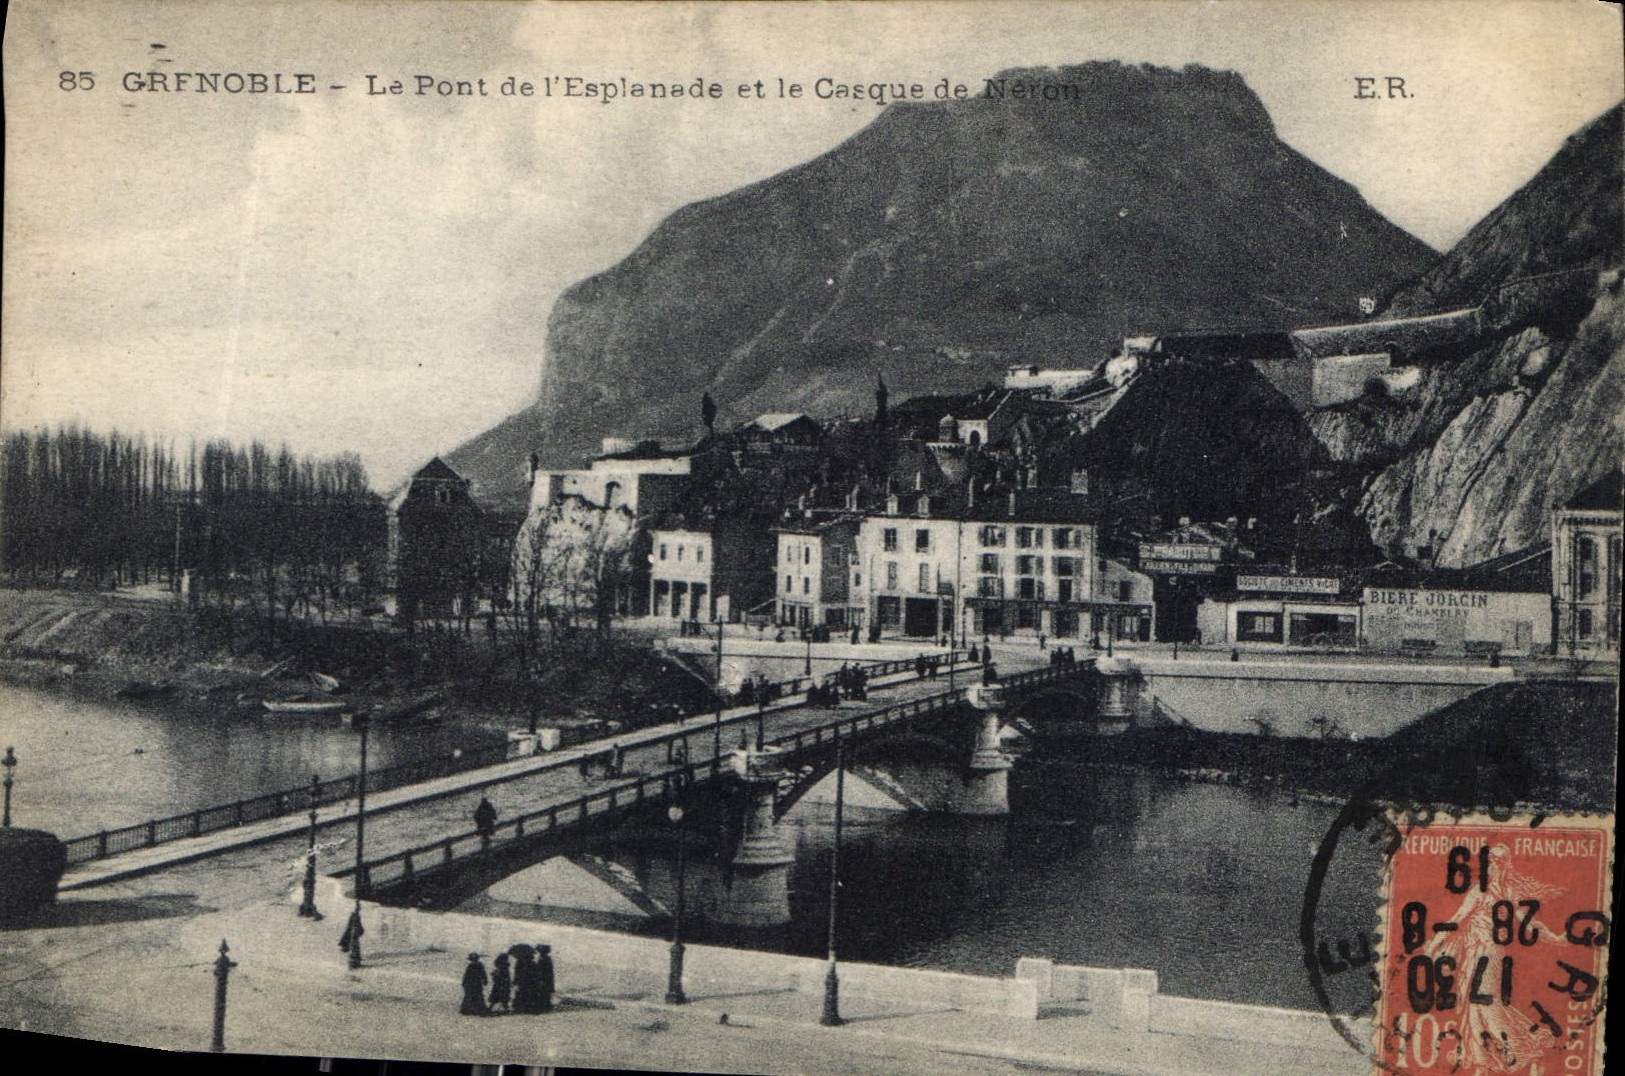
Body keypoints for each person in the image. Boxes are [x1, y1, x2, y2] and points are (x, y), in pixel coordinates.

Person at [510, 944, 538, 1013]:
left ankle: (523, 1008)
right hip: (528, 982)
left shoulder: (520, 963)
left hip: (524, 982)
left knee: (523, 994)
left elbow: (517, 973)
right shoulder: (531, 963)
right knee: (527, 994)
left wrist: (515, 981)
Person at [536, 944, 556, 1013]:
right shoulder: (547, 959)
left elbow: (541, 971)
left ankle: (545, 1007)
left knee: (544, 994)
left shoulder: (543, 959)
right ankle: (546, 1007)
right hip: (547, 980)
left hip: (544, 980)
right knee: (546, 994)